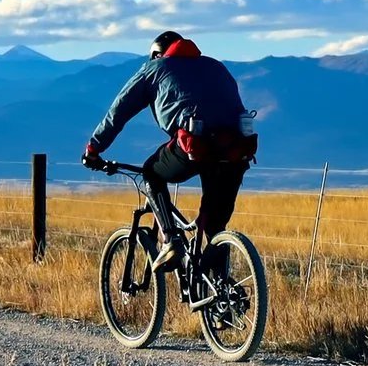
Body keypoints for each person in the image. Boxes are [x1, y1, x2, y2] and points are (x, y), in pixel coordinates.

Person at [83, 31, 259, 275]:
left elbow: (118, 112)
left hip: (195, 146)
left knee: (150, 173)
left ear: (156, 54)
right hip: (236, 150)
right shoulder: (216, 67)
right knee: (215, 227)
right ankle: (221, 298)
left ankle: (170, 241)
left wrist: (94, 149)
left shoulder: (154, 68)